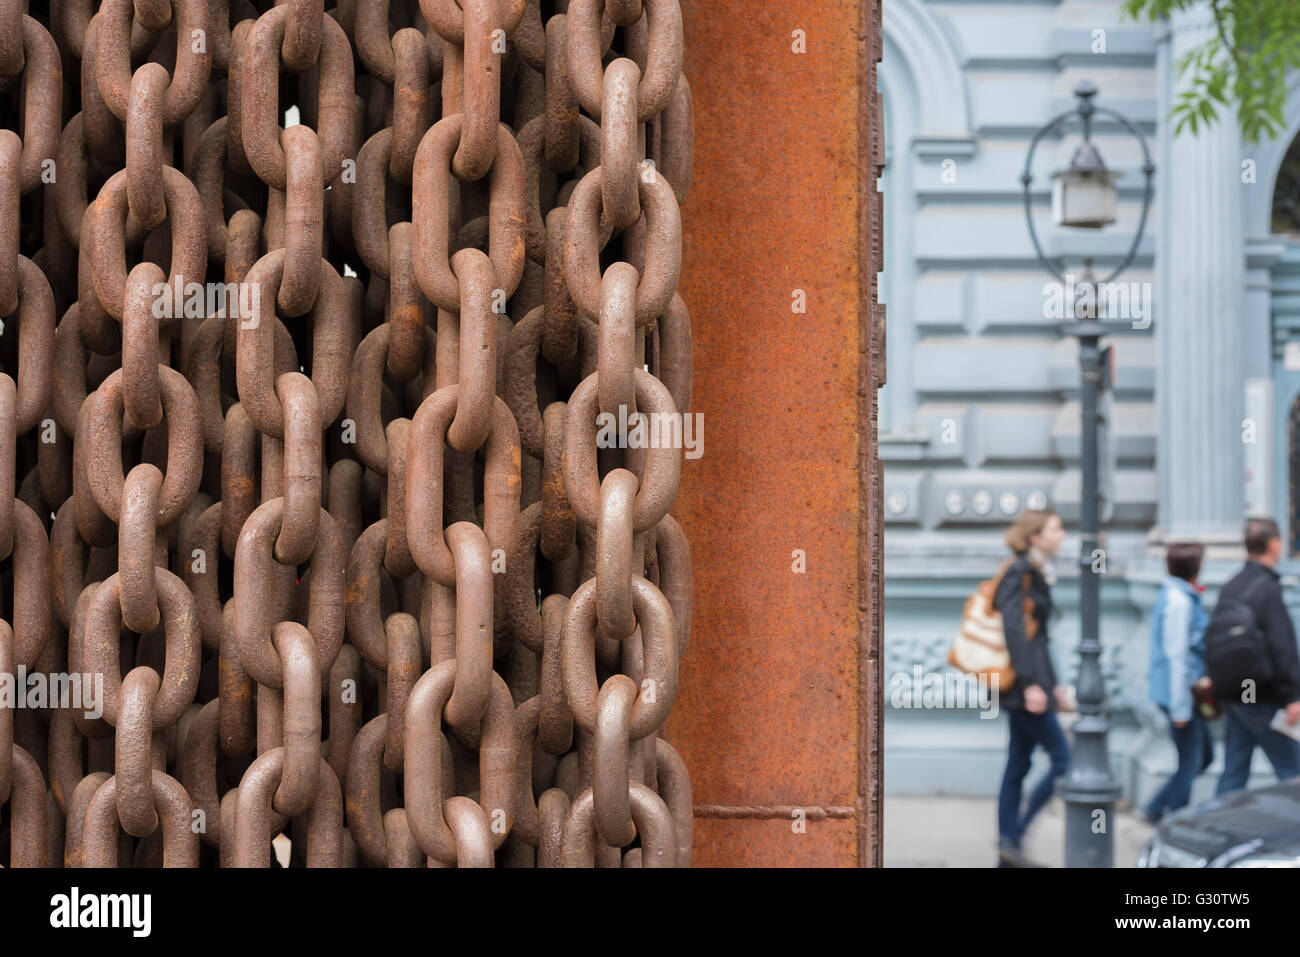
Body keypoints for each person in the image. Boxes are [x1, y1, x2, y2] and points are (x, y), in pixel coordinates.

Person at [995, 509, 1071, 867]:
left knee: (1018, 764)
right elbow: (1016, 633)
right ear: (1035, 536)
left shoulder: (1035, 571)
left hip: (1032, 685)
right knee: (1064, 759)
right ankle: (1015, 836)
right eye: (1056, 530)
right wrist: (1032, 686)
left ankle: (1009, 846)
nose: (1063, 535)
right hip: (1022, 687)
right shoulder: (1019, 571)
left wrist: (1052, 686)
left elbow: (1038, 637)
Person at [1212, 518, 1300, 794]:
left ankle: (1218, 826)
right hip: (1261, 697)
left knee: (1234, 773)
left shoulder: (1231, 585)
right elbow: (1281, 645)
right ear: (1274, 543)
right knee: (1292, 772)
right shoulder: (1267, 589)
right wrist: (1293, 696)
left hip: (1234, 694)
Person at [1142, 542, 1213, 822]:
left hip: (1189, 694)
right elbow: (1176, 657)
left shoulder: (1178, 595)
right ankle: (1172, 820)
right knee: (1191, 762)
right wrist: (1180, 709)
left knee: (1202, 757)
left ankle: (1155, 809)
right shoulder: (1178, 602)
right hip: (1182, 696)